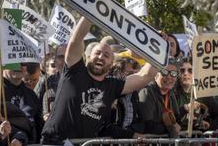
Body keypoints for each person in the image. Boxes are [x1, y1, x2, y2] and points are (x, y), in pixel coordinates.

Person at [41, 17, 157, 145]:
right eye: (97, 53)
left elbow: (146, 76)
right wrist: (90, 9)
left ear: (111, 64)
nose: (101, 57)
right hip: (54, 142)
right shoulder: (74, 71)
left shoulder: (112, 86)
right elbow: (76, 39)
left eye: (106, 55)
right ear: (88, 57)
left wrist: (158, 46)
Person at [174, 57, 218, 131]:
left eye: (190, 70)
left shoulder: (203, 94)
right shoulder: (172, 94)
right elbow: (171, 118)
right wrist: (186, 108)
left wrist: (209, 125)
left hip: (199, 139)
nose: (186, 73)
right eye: (182, 70)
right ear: (178, 74)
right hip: (179, 139)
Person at [138, 58, 181, 138]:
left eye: (173, 74)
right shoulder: (146, 92)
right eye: (164, 72)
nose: (169, 77)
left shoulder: (171, 94)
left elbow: (177, 120)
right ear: (156, 74)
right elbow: (148, 126)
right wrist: (170, 128)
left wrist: (187, 110)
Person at [2, 68, 43, 144]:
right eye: (14, 60)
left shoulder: (31, 94)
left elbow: (39, 126)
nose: (19, 65)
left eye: (22, 62)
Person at [42, 44, 67, 120]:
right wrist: (44, 115)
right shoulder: (46, 81)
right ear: (55, 61)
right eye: (61, 57)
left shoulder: (84, 80)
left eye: (68, 56)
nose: (65, 60)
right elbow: (36, 107)